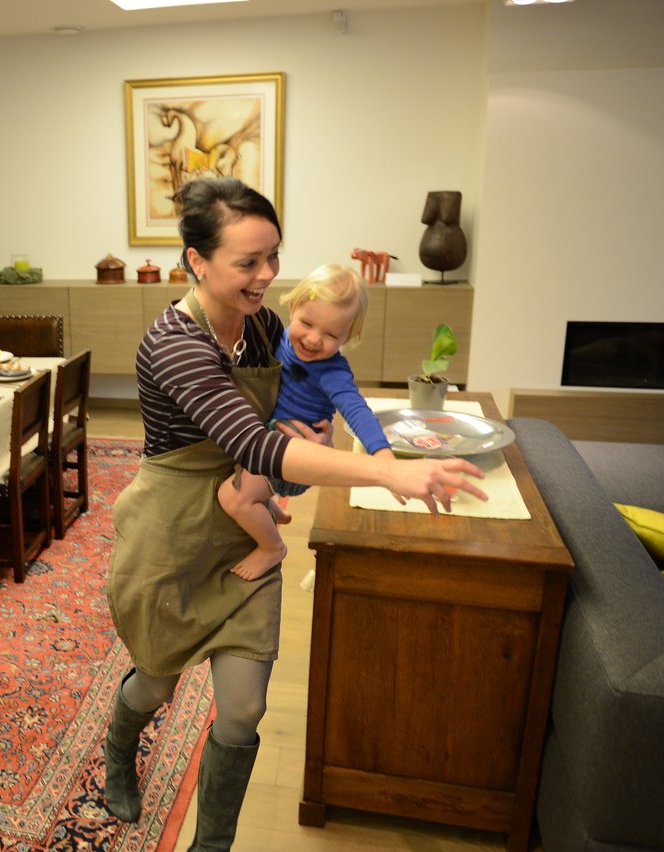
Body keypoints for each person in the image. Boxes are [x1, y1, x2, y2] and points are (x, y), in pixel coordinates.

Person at [104, 177, 486, 850]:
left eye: (273, 257)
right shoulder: (173, 342)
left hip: (245, 531)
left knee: (244, 709)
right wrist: (385, 470)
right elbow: (255, 442)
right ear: (197, 260)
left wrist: (318, 444)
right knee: (154, 688)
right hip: (173, 533)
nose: (267, 276)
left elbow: (292, 427)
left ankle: (211, 845)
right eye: (248, 262)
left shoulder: (266, 328)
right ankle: (118, 752)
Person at [217, 263, 394, 581]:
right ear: (294, 307)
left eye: (330, 335)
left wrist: (384, 458)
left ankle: (272, 547)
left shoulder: (333, 373)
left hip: (296, 457)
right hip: (270, 442)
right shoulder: (280, 337)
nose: (313, 339)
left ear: (348, 337)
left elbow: (358, 412)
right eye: (307, 323)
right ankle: (272, 508)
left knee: (232, 498)